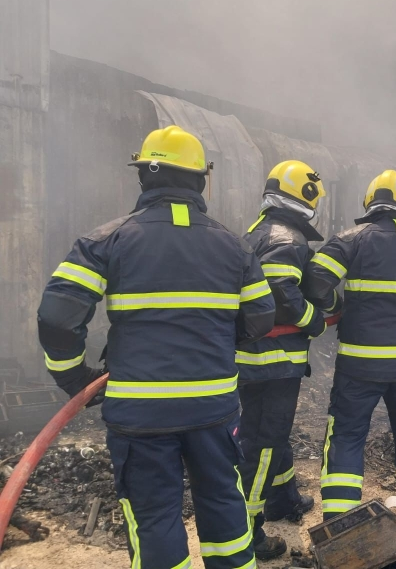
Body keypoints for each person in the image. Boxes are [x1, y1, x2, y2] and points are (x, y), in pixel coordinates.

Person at [37, 126, 275, 569]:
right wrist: (215, 341)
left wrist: (76, 379)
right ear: (201, 180)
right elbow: (261, 318)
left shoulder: (105, 241)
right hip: (212, 406)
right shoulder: (236, 247)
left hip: (140, 413)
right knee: (224, 502)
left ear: (143, 175)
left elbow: (57, 317)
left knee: (155, 518)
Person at [302, 169, 396, 530]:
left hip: (359, 366)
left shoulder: (351, 240)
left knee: (347, 436)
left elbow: (314, 282)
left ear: (371, 203)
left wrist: (338, 306)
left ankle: (340, 527)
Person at [235, 160, 334, 560]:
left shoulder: (259, 230)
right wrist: (314, 320)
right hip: (273, 363)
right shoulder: (287, 237)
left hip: (256, 360)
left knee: (270, 434)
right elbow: (280, 289)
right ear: (305, 196)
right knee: (264, 443)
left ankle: (282, 499)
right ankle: (248, 530)